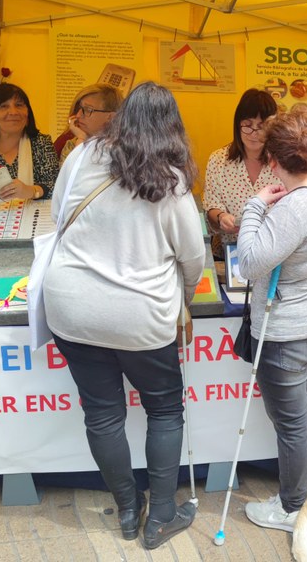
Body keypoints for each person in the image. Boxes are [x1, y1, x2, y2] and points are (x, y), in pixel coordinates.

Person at [43, 82, 206, 550]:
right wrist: (184, 295)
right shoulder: (171, 178)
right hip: (141, 317)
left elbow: (58, 216)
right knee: (163, 410)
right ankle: (161, 517)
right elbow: (191, 258)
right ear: (172, 126)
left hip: (72, 308)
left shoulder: (81, 156)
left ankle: (128, 507)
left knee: (102, 414)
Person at [238, 111, 307, 533]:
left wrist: (254, 206)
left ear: (276, 162)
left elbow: (248, 262)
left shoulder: (293, 208)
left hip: (288, 332)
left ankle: (292, 507)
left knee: (293, 424)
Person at [202, 88, 282, 256]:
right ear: (238, 124)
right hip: (230, 255)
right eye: (247, 125)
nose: (254, 134)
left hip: (273, 255)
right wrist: (221, 217)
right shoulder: (219, 160)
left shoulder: (283, 162)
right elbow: (211, 205)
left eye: (261, 127)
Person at [59, 83, 123, 164]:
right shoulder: (71, 144)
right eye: (79, 109)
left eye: (88, 110)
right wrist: (81, 140)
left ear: (110, 117)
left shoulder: (123, 147)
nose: (78, 115)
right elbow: (71, 175)